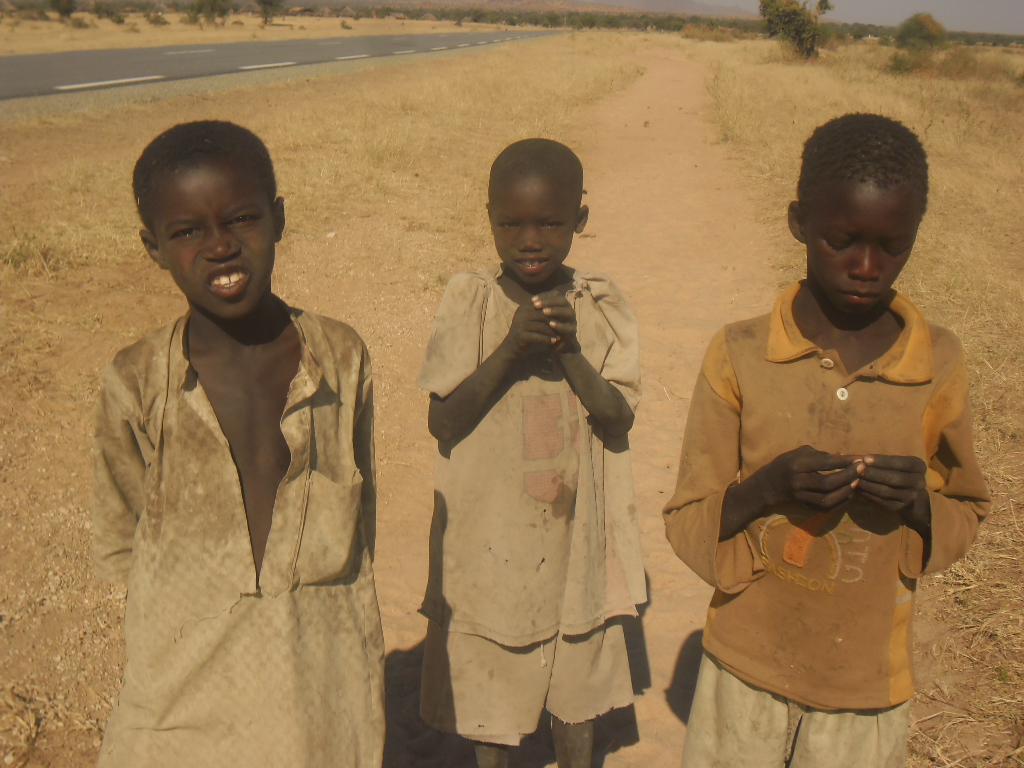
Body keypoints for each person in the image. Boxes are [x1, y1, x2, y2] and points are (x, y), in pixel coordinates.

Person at [663, 113, 990, 768]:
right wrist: (766, 489)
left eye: (892, 246)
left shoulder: (938, 366)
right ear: (798, 222)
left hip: (864, 684)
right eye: (843, 240)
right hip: (743, 670)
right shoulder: (740, 355)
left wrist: (916, 505)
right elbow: (689, 519)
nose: (868, 266)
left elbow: (966, 510)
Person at [92, 121, 384, 767]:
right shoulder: (137, 382)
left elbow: (360, 527)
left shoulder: (339, 359)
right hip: (179, 709)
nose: (220, 246)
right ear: (153, 247)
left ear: (278, 219)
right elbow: (122, 541)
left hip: (322, 695)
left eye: (241, 218)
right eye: (187, 231)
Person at [417, 138, 647, 768]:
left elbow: (618, 415)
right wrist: (511, 351)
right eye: (510, 223)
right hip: (490, 535)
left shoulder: (597, 305)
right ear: (488, 216)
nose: (530, 240)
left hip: (578, 535)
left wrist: (569, 352)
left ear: (580, 219)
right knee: (494, 679)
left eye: (549, 222)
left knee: (577, 669)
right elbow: (444, 420)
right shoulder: (471, 300)